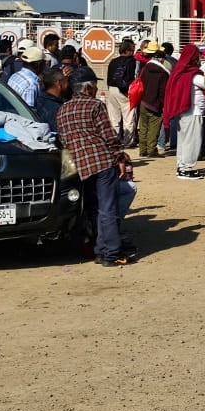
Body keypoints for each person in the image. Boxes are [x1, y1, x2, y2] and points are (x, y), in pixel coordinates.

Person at [57, 67, 135, 267]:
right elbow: (108, 136)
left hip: (81, 167)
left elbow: (64, 140)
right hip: (101, 162)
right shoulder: (95, 105)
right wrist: (119, 156)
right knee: (107, 208)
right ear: (89, 88)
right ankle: (110, 254)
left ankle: (100, 251)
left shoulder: (62, 110)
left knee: (94, 209)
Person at [162, 44, 205, 180]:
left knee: (184, 141)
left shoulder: (180, 71)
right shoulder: (193, 75)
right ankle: (186, 169)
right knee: (192, 141)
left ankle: (182, 166)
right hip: (193, 111)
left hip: (183, 111)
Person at [137, 42, 171, 158]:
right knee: (154, 128)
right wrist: (163, 104)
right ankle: (151, 150)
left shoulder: (145, 68)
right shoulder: (163, 73)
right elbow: (163, 91)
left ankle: (142, 150)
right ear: (161, 59)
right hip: (155, 103)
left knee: (143, 127)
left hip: (143, 101)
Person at [106, 40, 138, 147]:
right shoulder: (131, 61)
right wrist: (126, 90)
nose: (133, 52)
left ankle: (114, 140)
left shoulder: (113, 61)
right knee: (128, 117)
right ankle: (128, 141)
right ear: (128, 50)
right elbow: (129, 77)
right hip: (124, 91)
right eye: (132, 50)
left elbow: (109, 77)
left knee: (113, 118)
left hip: (111, 90)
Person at [34, 68, 69, 133]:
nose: (68, 84)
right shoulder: (56, 109)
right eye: (66, 80)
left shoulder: (40, 99)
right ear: (59, 83)